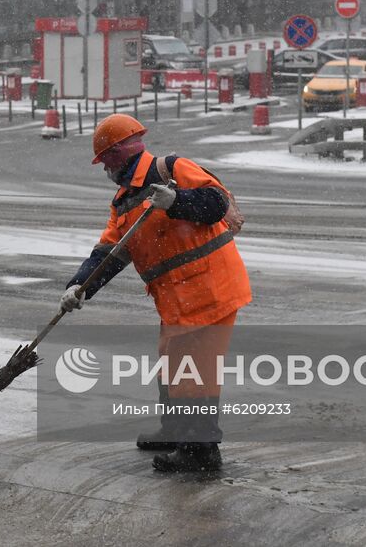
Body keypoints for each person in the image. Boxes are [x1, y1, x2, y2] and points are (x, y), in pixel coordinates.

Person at [61, 114, 251, 473]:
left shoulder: (171, 169)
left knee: (193, 373)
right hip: (179, 299)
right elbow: (110, 252)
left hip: (210, 290)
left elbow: (216, 204)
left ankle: (201, 453)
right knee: (170, 364)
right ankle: (175, 430)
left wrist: (176, 200)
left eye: (105, 161)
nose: (105, 170)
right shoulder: (123, 201)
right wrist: (79, 286)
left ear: (118, 154)